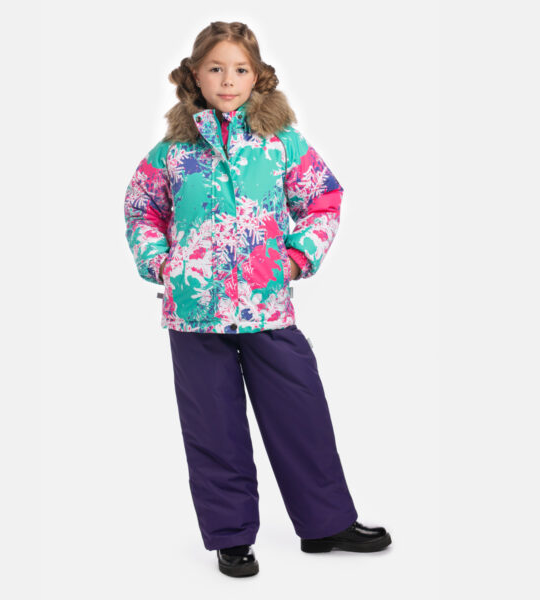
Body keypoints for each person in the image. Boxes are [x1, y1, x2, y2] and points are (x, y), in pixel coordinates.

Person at [124, 21, 392, 578]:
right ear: (195, 76)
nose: (228, 80)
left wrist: (296, 258)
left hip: (266, 307)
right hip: (195, 315)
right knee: (213, 426)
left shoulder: (281, 143)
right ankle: (231, 536)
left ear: (257, 76)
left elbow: (323, 198)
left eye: (240, 69)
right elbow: (141, 207)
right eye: (216, 68)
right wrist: (163, 264)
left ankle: (325, 524)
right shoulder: (173, 152)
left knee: (301, 411)